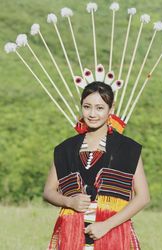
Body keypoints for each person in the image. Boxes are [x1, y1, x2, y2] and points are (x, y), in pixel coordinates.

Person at [43, 81, 150, 250]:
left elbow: (143, 197)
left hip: (113, 233)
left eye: (99, 108)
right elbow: (48, 192)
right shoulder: (65, 149)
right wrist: (70, 202)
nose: (92, 114)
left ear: (111, 110)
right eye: (87, 107)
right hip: (71, 234)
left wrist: (105, 225)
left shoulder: (127, 148)